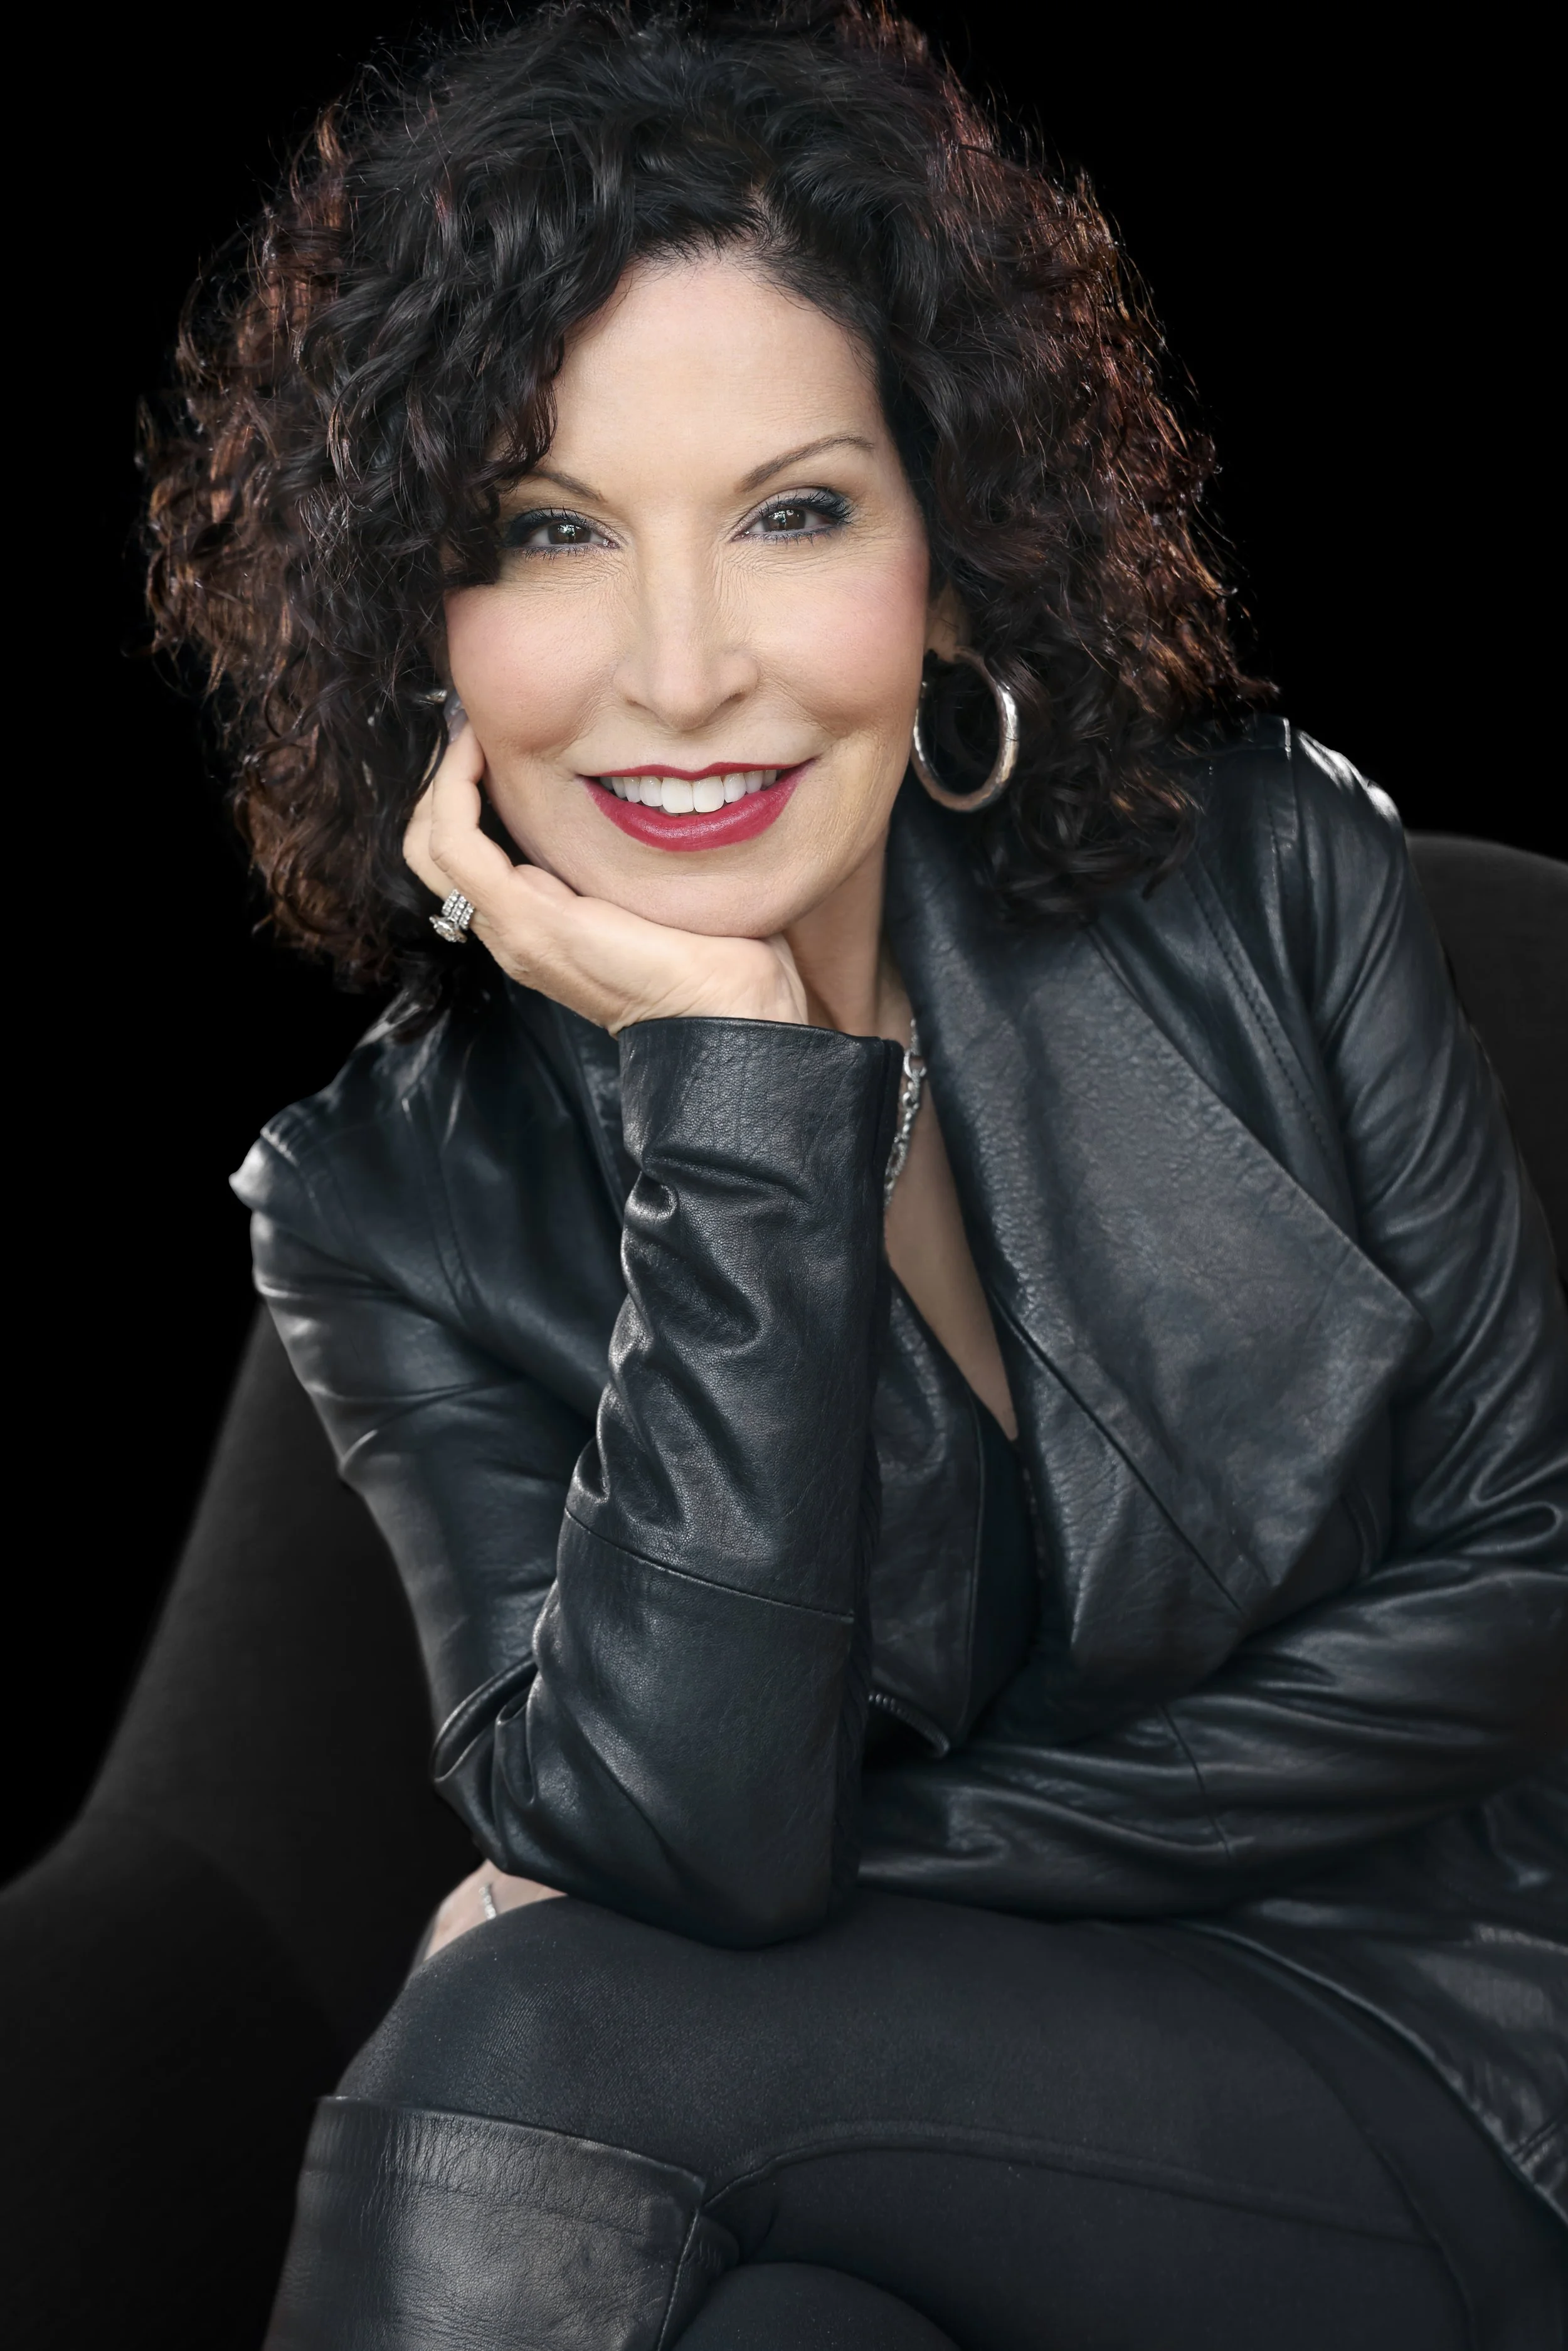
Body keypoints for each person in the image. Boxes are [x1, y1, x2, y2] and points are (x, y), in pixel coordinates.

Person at [144, 4, 1567, 2343]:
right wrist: (739, 1095)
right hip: (877, 2134)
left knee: (540, 2026)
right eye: (549, 531)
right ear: (421, 620)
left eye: (793, 513)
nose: (684, 666)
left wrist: (876, 1867)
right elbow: (686, 1830)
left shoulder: (1268, 882)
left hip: (1444, 2052)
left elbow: (1514, 1597)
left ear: (948, 555)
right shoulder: (381, 1194)